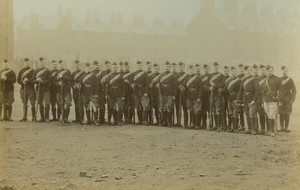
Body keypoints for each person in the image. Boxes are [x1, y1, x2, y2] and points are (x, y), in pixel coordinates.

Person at [237, 66, 259, 135]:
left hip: (252, 98)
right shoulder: (243, 80)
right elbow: (241, 90)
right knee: (246, 113)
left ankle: (254, 129)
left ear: (251, 71)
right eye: (247, 70)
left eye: (249, 70)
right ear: (245, 71)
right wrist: (238, 99)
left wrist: (254, 100)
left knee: (252, 114)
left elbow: (257, 91)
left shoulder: (255, 79)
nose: (248, 72)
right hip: (245, 99)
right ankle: (249, 129)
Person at [262, 65, 281, 137]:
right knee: (268, 115)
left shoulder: (277, 79)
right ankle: (271, 130)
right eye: (267, 71)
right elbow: (263, 92)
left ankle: (272, 132)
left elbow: (281, 90)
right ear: (266, 72)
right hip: (266, 101)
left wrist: (280, 100)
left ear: (273, 71)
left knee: (271, 115)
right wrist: (262, 101)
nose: (269, 72)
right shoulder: (265, 80)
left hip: (273, 100)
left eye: (270, 71)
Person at [182, 65, 203, 129]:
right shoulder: (186, 77)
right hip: (188, 96)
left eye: (192, 70)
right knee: (190, 110)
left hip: (196, 96)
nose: (191, 71)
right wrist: (182, 87)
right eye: (190, 70)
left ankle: (197, 125)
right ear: (188, 70)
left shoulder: (198, 78)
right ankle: (192, 124)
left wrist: (200, 97)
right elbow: (183, 85)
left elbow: (201, 88)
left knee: (197, 111)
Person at [206, 62, 225, 131]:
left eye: (217, 67)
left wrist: (215, 85)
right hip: (211, 95)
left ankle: (219, 126)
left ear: (218, 68)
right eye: (214, 67)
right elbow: (206, 86)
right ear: (212, 68)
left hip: (218, 95)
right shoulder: (210, 76)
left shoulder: (221, 76)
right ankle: (214, 125)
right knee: (213, 110)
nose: (215, 68)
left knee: (218, 110)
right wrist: (209, 88)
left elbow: (223, 84)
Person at [32, 57, 51, 122]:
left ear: (44, 63)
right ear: (38, 63)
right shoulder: (36, 71)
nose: (41, 64)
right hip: (39, 90)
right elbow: (32, 80)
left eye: (42, 62)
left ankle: (46, 118)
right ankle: (42, 117)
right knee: (40, 103)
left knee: (47, 103)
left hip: (46, 90)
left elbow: (50, 80)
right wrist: (36, 80)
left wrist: (42, 81)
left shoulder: (48, 71)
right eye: (40, 62)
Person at [158, 61, 177, 127]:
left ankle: (169, 122)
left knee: (169, 107)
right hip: (163, 94)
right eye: (166, 66)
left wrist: (174, 95)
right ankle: (164, 122)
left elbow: (175, 86)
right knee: (163, 108)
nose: (167, 68)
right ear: (164, 67)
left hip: (170, 94)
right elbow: (159, 85)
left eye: (168, 67)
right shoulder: (161, 75)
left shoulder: (173, 75)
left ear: (170, 67)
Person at [130, 61, 149, 125]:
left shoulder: (145, 74)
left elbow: (147, 84)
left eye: (140, 65)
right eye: (138, 65)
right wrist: (132, 85)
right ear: (136, 66)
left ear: (142, 66)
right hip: (136, 91)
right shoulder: (133, 74)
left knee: (145, 106)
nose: (139, 66)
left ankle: (145, 120)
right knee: (138, 106)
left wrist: (146, 92)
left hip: (143, 91)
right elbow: (131, 82)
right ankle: (140, 120)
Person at [278, 66, 296, 132]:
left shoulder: (290, 80)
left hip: (288, 98)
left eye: (285, 70)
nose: (284, 72)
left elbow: (294, 90)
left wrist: (292, 99)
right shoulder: (279, 79)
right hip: (281, 99)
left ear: (287, 71)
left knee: (287, 114)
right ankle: (281, 127)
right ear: (281, 71)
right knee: (281, 113)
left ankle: (286, 128)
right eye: (283, 70)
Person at [226, 66, 241, 132]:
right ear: (230, 72)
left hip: (236, 98)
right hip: (229, 98)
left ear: (236, 72)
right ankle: (232, 127)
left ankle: (236, 128)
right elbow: (226, 90)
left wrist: (238, 98)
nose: (233, 73)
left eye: (234, 72)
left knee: (236, 113)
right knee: (230, 112)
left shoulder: (239, 80)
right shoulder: (228, 80)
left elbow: (241, 90)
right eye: (232, 72)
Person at [175, 62, 188, 127]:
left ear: (184, 67)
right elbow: (174, 85)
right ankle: (178, 122)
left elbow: (188, 84)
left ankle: (185, 123)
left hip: (185, 94)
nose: (181, 68)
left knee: (185, 108)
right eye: (180, 67)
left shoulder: (187, 75)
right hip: (177, 95)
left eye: (182, 67)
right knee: (178, 108)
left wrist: (183, 87)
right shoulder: (176, 75)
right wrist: (178, 87)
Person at [257, 65, 268, 134]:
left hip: (266, 98)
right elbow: (257, 90)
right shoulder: (258, 79)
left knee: (268, 114)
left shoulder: (268, 78)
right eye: (261, 70)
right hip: (260, 98)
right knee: (261, 114)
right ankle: (263, 129)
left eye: (264, 70)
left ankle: (269, 129)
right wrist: (258, 99)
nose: (262, 71)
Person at [201, 64, 210, 129]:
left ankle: (211, 124)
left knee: (210, 110)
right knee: (203, 110)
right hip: (203, 96)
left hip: (209, 95)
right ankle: (204, 124)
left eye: (207, 69)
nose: (206, 70)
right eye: (205, 69)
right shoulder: (201, 77)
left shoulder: (211, 76)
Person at [92, 60, 101, 125]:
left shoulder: (101, 73)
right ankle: (92, 119)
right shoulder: (91, 73)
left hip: (100, 91)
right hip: (92, 92)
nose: (97, 66)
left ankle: (101, 118)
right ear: (93, 66)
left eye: (98, 65)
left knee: (100, 106)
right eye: (96, 65)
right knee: (93, 106)